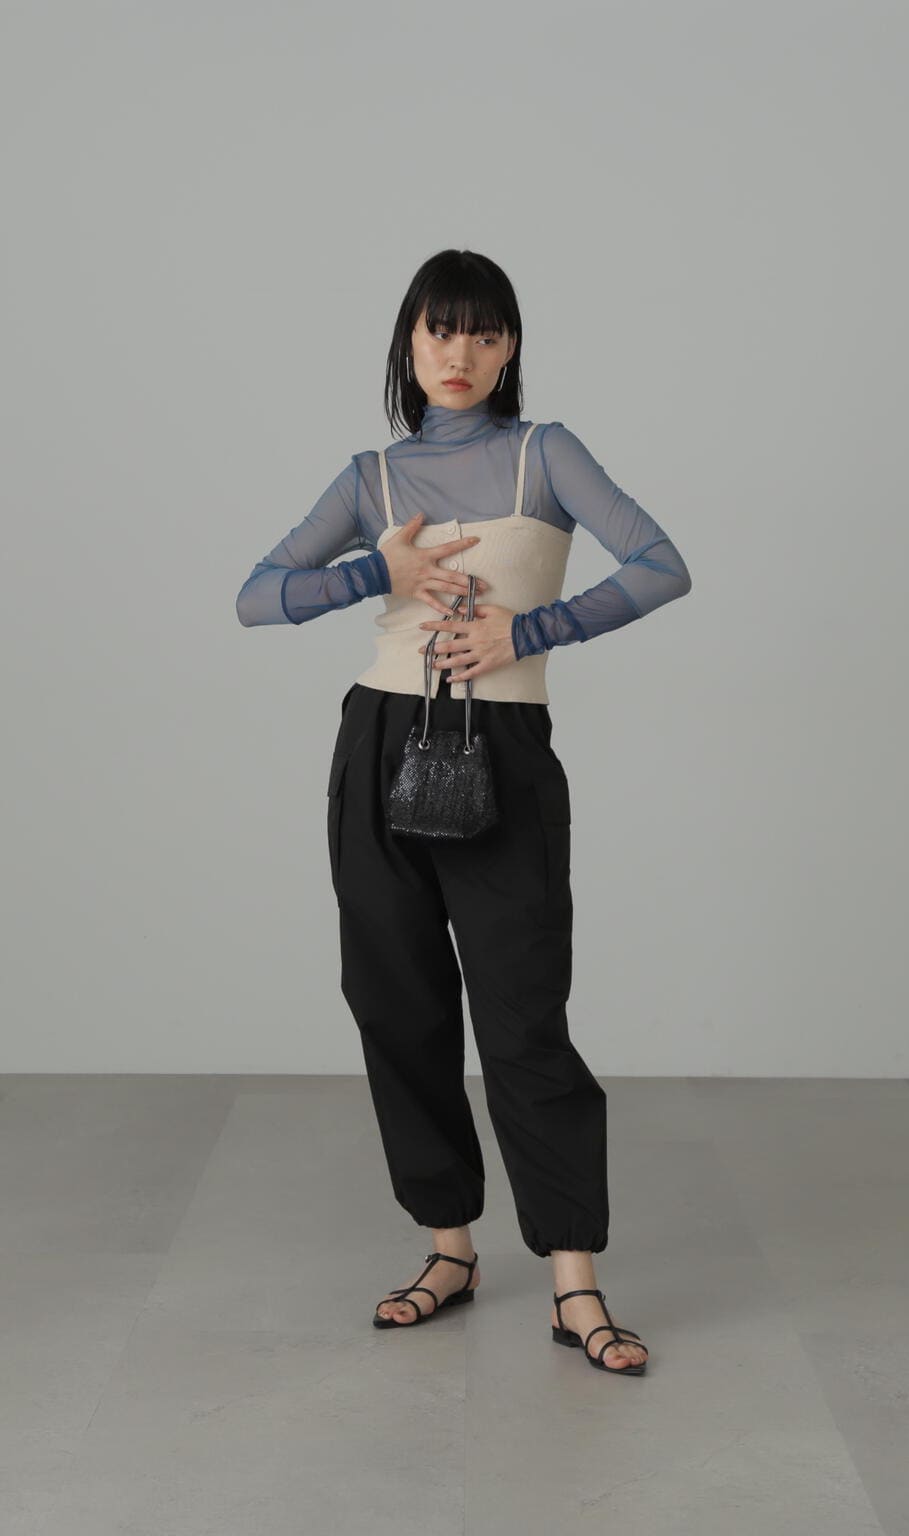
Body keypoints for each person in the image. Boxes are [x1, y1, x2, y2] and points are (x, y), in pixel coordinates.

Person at [236, 248, 692, 1376]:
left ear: (510, 347)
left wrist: (528, 630)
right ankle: (448, 1249)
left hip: (504, 748)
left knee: (523, 1014)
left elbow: (660, 564)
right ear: (408, 343)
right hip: (379, 744)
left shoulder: (545, 454)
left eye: (484, 333)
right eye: (440, 331)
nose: (460, 353)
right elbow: (255, 598)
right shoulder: (372, 480)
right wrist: (373, 575)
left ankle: (574, 1282)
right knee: (396, 1004)